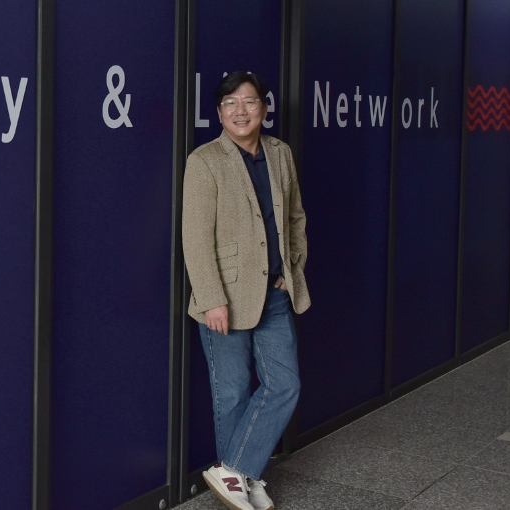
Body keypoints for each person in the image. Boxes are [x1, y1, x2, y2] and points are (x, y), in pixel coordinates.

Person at [182, 71, 310, 510]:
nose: (241, 111)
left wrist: (291, 268)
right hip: (226, 300)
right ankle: (244, 479)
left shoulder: (279, 153)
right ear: (219, 113)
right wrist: (212, 298)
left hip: (274, 294)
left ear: (264, 108)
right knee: (233, 394)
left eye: (250, 101)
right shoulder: (205, 160)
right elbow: (196, 237)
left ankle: (235, 470)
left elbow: (295, 217)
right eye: (231, 103)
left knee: (285, 385)